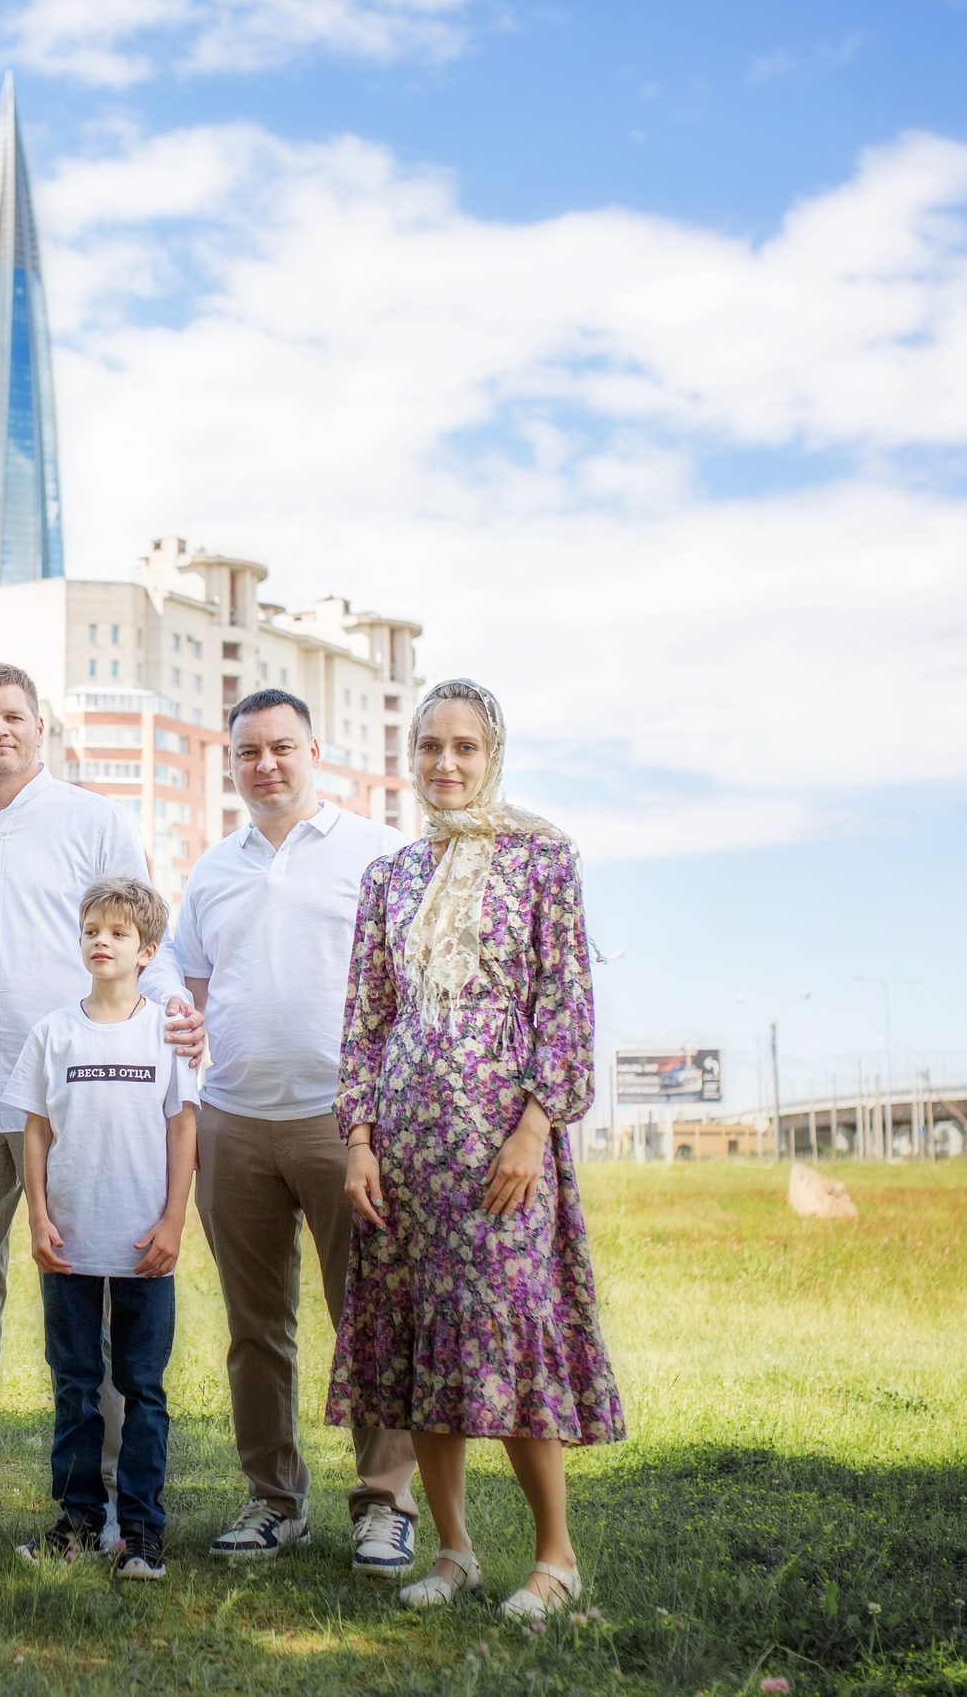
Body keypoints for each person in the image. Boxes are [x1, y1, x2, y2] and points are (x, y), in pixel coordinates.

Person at [329, 678, 622, 1622]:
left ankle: (555, 1558)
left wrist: (537, 1128)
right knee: (422, 1347)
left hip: (503, 1148)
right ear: (408, 758)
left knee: (509, 1336)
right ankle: (453, 1550)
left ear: (492, 755)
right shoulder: (390, 878)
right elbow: (368, 1019)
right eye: (429, 748)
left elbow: (566, 1006)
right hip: (406, 1150)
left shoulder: (542, 862)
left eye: (464, 747)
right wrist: (360, 1141)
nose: (445, 764)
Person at [0, 663, 205, 1534]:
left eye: (13, 716)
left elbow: (151, 928)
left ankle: (108, 1497)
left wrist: (178, 1013)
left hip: (78, 1105)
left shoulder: (95, 819)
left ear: (42, 726)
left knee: (101, 1294)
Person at [171, 689, 422, 1571]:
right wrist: (174, 1014)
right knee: (255, 1326)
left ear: (317, 751)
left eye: (282, 747)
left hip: (345, 1120)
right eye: (248, 752)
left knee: (370, 1317)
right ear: (230, 762)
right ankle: (274, 1499)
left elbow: (417, 982)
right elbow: (180, 976)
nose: (266, 764)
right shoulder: (212, 869)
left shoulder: (379, 852)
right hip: (234, 1119)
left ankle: (385, 1502)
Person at [8, 876, 198, 1583]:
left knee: (143, 1388)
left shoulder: (166, 1032)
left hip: (145, 1244)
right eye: (92, 929)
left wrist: (175, 1217)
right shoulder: (54, 1032)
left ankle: (144, 1529)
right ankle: (80, 1520)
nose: (101, 941)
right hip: (71, 1245)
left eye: (118, 932)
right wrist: (37, 1212)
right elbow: (36, 1129)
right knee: (76, 1387)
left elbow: (184, 1127)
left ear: (147, 949)